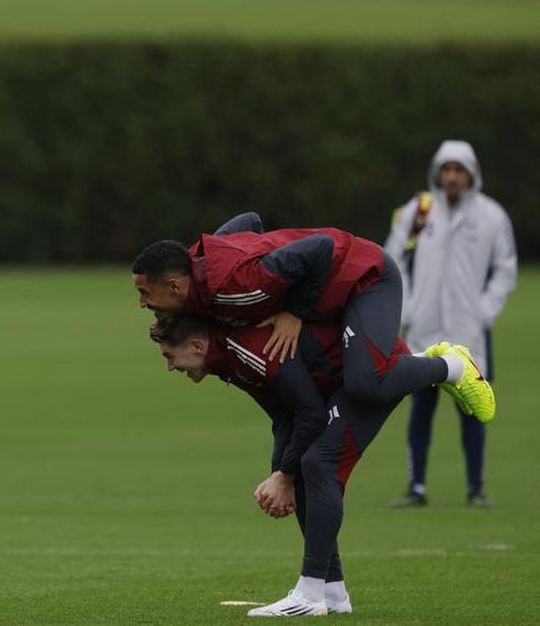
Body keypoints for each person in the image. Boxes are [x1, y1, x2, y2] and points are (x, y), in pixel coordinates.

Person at [150, 314, 410, 617]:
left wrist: (284, 476)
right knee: (302, 467)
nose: (170, 367)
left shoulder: (241, 353)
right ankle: (332, 591)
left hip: (378, 367)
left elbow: (311, 415)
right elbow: (285, 415)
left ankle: (446, 365)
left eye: (170, 357)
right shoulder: (226, 362)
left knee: (317, 465)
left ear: (197, 346)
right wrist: (280, 473)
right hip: (342, 383)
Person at [130, 214, 496, 424]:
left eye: (145, 293)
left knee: (366, 384)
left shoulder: (233, 285)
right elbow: (249, 221)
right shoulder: (197, 270)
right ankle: (422, 363)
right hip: (331, 300)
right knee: (357, 383)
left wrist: (293, 312)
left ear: (174, 285)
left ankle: (451, 366)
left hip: (364, 277)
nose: (141, 303)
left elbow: (319, 248)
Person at [384, 141, 517, 508]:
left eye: (459, 170)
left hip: (469, 330)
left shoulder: (491, 216)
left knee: (473, 407)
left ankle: (476, 487)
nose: (453, 177)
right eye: (447, 169)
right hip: (424, 328)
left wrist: (485, 310)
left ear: (471, 174)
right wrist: (408, 307)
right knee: (420, 407)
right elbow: (392, 260)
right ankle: (416, 486)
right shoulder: (418, 211)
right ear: (437, 173)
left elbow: (505, 268)